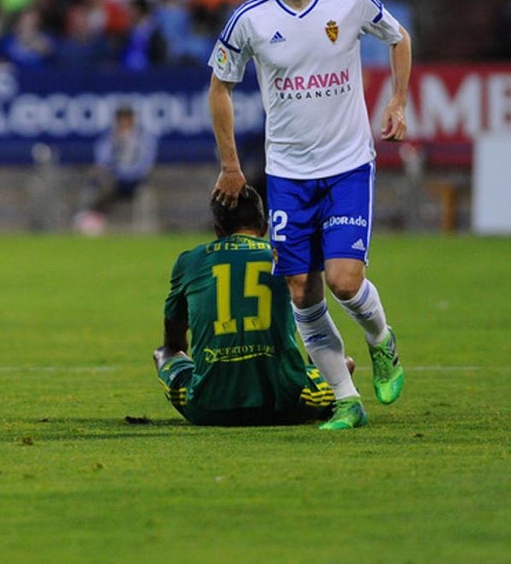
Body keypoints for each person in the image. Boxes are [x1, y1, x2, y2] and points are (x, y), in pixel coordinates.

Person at [208, 0, 410, 430]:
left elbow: (399, 38)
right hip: (288, 175)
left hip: (346, 165)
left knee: (344, 281)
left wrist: (397, 103)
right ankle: (346, 399)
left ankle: (381, 341)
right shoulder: (249, 19)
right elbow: (219, 86)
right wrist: (231, 165)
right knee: (301, 289)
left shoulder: (349, 3)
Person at [154, 186, 341, 426]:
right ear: (264, 228)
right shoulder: (286, 257)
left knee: (163, 354)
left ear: (218, 231)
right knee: (342, 365)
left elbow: (175, 338)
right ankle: (325, 399)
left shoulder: (190, 261)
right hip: (288, 403)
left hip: (208, 407)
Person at [73, 105, 158, 233]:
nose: (123, 122)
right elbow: (102, 159)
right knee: (95, 183)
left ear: (132, 119)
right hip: (112, 178)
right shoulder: (110, 137)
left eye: (126, 119)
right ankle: (89, 217)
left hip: (134, 179)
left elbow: (145, 163)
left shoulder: (144, 138)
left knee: (107, 185)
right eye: (121, 119)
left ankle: (92, 216)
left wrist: (124, 173)